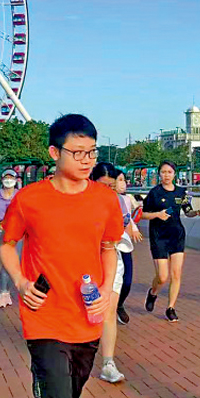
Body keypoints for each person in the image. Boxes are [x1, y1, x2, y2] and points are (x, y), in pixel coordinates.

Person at [0, 114, 123, 398]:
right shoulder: (30, 199)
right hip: (44, 321)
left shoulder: (105, 199)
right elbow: (7, 244)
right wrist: (19, 280)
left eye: (92, 152)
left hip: (87, 321)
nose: (87, 160)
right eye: (78, 152)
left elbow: (108, 246)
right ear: (55, 153)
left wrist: (106, 290)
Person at [89, 162, 131, 383]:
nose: (107, 190)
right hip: (84, 263)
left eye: (111, 186)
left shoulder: (118, 202)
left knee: (109, 312)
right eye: (103, 185)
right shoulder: (81, 201)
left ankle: (108, 363)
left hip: (112, 260)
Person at [141, 161, 198, 323]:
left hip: (177, 235)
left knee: (176, 274)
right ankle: (153, 293)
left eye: (169, 172)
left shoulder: (181, 192)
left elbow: (187, 210)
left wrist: (196, 212)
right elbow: (142, 214)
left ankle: (170, 308)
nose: (166, 175)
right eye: (163, 172)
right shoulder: (154, 193)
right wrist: (157, 215)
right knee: (162, 277)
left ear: (174, 174)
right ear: (159, 174)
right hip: (159, 236)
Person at [0, 168, 22, 308]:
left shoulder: (20, 194)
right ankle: (3, 292)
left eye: (11, 178)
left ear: (16, 180)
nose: (9, 181)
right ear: (2, 180)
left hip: (17, 232)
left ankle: (7, 291)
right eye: (6, 178)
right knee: (5, 261)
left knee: (15, 262)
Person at [113, 169, 142, 325]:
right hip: (108, 244)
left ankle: (119, 304)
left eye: (124, 179)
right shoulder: (104, 198)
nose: (122, 183)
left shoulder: (127, 199)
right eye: (119, 180)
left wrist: (134, 229)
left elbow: (129, 218)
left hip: (123, 243)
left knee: (127, 279)